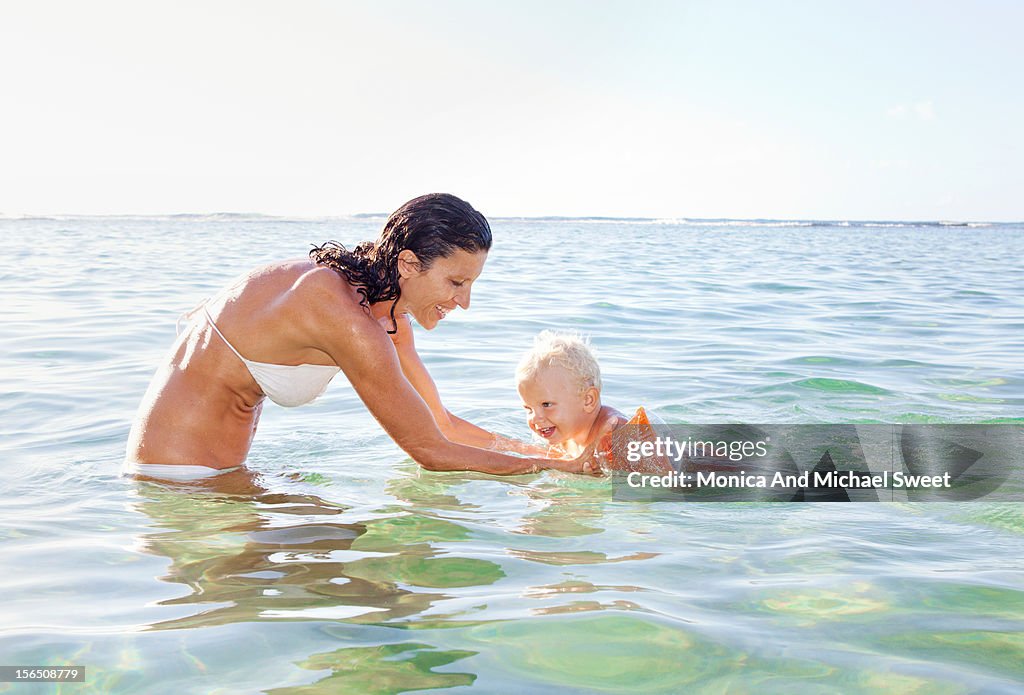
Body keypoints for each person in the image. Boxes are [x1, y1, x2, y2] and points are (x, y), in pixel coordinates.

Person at [126, 193, 594, 480]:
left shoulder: (388, 318)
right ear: (409, 264)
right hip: (177, 478)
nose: (465, 302)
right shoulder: (337, 309)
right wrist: (561, 469)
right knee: (383, 579)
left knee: (364, 546)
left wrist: (551, 450)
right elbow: (430, 452)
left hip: (219, 476)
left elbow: (441, 425)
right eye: (456, 283)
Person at [515, 331, 628, 459]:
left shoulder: (616, 431)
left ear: (588, 400)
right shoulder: (563, 436)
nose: (535, 419)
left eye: (546, 404)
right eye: (529, 409)